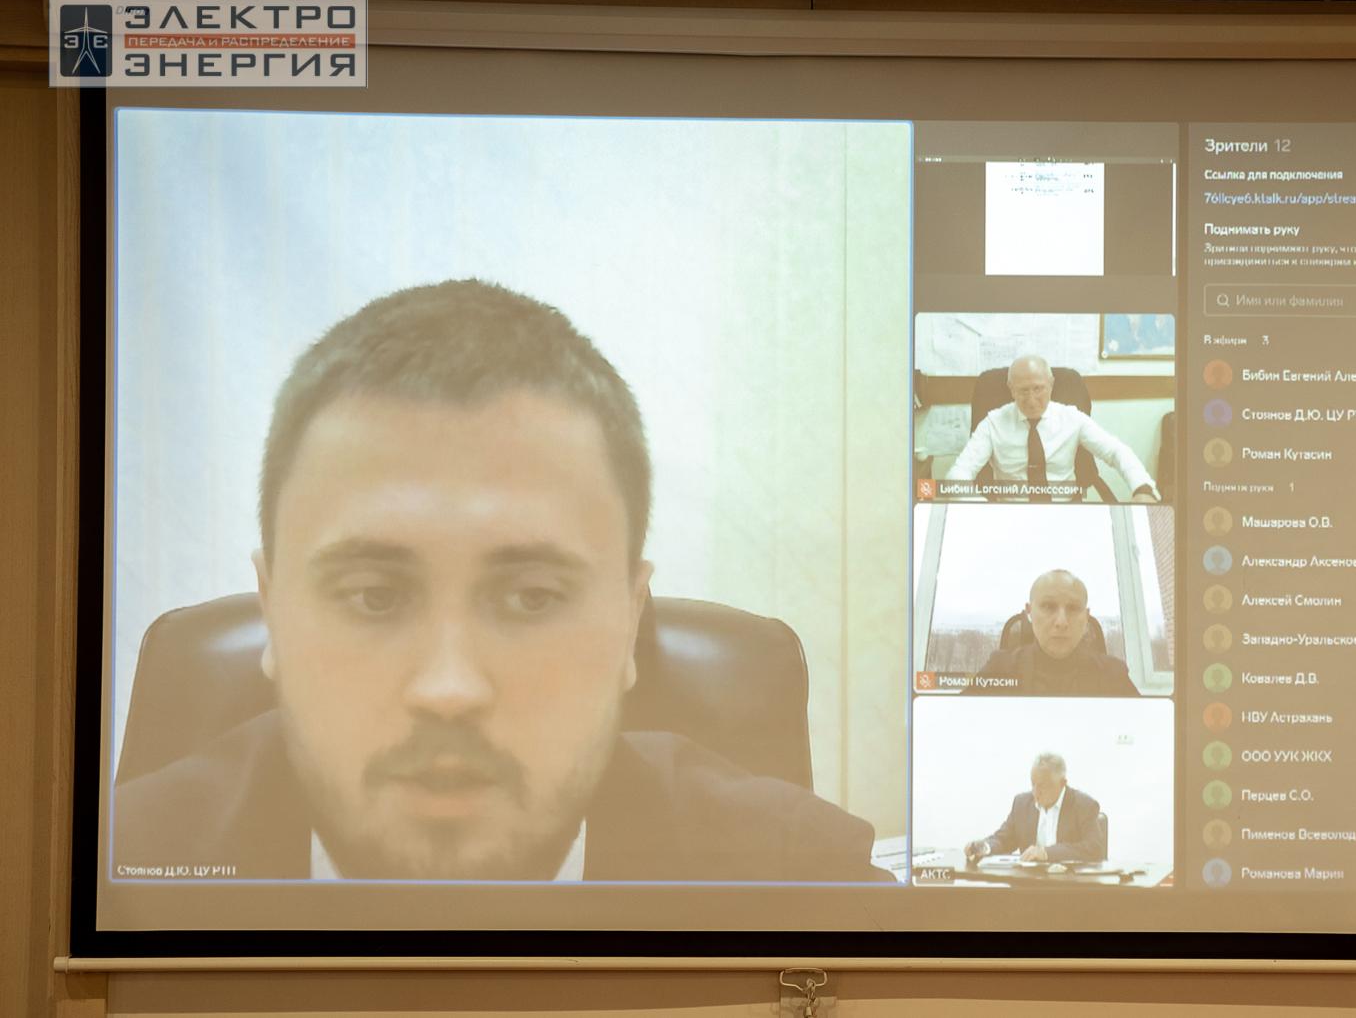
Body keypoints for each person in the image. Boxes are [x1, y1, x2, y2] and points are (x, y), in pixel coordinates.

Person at [113, 279, 887, 884]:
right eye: (374, 595)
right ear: (273, 613)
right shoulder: (106, 876)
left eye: (532, 597)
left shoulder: (798, 884)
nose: (449, 689)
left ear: (629, 621)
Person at [945, 355, 1158, 501]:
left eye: (1038, 389)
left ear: (1051, 384)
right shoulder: (993, 423)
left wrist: (1143, 488)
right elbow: (958, 474)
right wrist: (983, 510)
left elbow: (1115, 451)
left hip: (1065, 512)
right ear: (1011, 389)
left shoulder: (1072, 418)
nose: (1031, 400)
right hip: (1012, 515)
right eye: (1023, 391)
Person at [966, 570, 1139, 696]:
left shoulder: (1112, 674)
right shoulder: (1000, 668)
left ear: (1086, 617)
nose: (1061, 622)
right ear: (1029, 612)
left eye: (1073, 608)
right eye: (1049, 606)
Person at [963, 753, 1106, 864]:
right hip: (1029, 884)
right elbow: (1004, 839)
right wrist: (984, 847)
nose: (1035, 792)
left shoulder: (1084, 806)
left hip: (1069, 885)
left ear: (1062, 783)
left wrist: (1047, 853)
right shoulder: (1022, 804)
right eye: (1033, 784)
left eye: (1043, 786)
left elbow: (1093, 849)